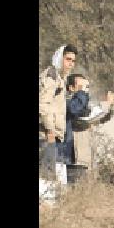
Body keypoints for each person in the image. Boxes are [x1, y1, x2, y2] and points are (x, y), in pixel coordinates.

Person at [63, 73, 114, 183]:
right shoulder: (68, 105)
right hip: (74, 161)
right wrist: (106, 103)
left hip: (86, 160)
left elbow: (98, 120)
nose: (85, 91)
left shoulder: (82, 107)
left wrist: (112, 107)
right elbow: (85, 118)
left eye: (87, 87)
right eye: (82, 87)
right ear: (71, 88)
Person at [39, 44, 78, 182]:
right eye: (68, 59)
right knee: (46, 177)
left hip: (52, 135)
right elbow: (43, 105)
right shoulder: (52, 75)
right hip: (46, 134)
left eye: (73, 61)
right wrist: (50, 130)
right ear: (59, 57)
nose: (71, 64)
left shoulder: (60, 78)